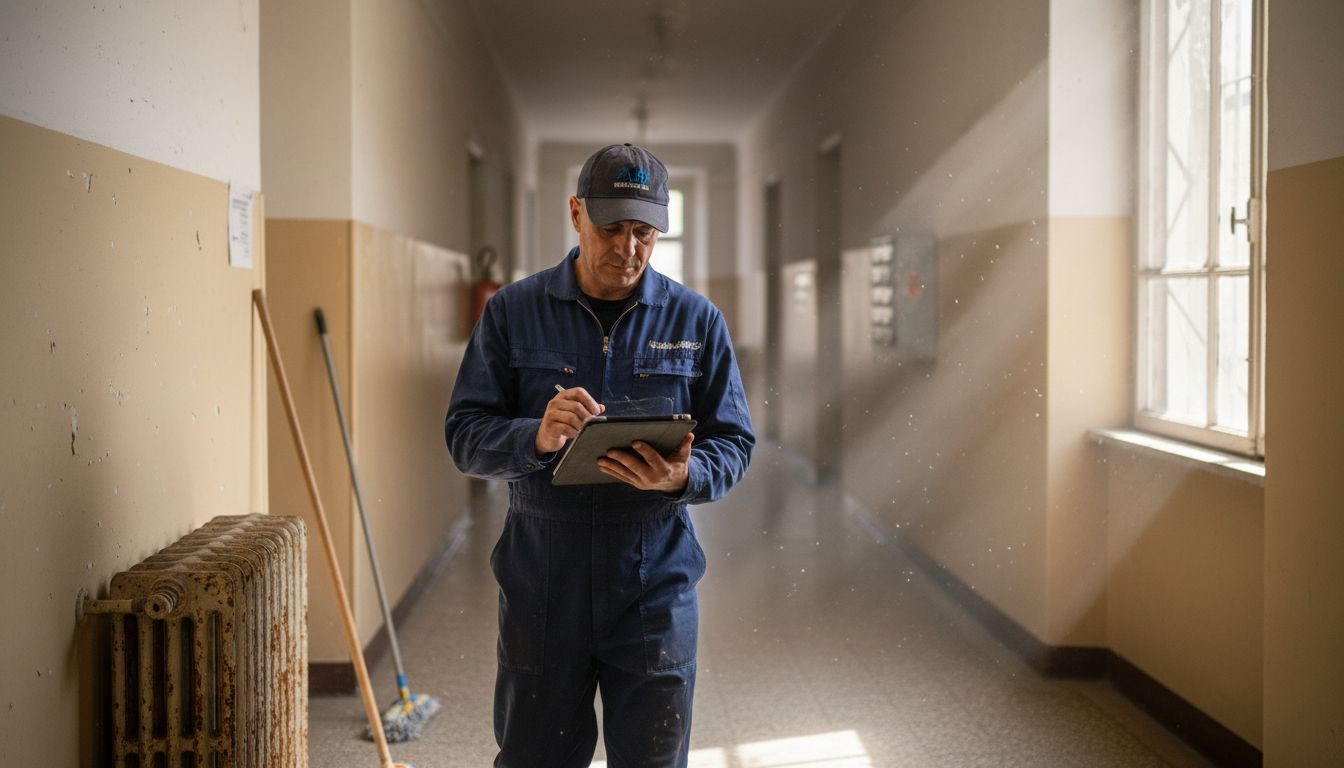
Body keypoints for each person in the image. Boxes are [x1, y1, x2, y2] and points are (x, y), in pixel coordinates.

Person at [444, 143, 755, 768]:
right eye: (611, 228)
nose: (628, 249)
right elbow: (464, 436)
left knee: (652, 758)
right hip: (543, 574)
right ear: (575, 213)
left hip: (655, 575)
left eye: (645, 232)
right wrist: (534, 435)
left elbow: (735, 442)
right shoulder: (513, 313)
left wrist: (684, 474)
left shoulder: (697, 320)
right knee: (536, 756)